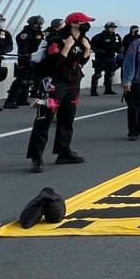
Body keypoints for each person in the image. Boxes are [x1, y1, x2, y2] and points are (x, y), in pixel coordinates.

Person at [26, 12, 93, 172]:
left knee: (67, 119)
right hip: (54, 84)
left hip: (73, 83)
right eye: (84, 22)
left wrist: (87, 49)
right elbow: (52, 64)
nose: (87, 25)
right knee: (44, 120)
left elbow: (81, 62)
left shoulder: (82, 40)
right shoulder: (57, 40)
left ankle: (63, 152)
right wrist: (66, 48)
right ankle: (36, 157)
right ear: (74, 23)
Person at [4, 15, 44, 109]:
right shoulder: (25, 34)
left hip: (36, 60)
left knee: (29, 81)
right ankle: (9, 102)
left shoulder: (40, 33)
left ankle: (22, 100)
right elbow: (23, 48)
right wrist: (27, 58)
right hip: (25, 60)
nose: (41, 25)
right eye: (40, 23)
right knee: (20, 81)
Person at [89, 21, 123, 96]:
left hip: (111, 58)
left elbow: (119, 47)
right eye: (111, 27)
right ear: (107, 28)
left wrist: (120, 51)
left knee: (109, 74)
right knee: (97, 74)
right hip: (101, 58)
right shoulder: (99, 36)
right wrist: (99, 51)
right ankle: (93, 91)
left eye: (114, 28)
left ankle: (108, 89)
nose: (113, 29)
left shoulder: (117, 37)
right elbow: (92, 46)